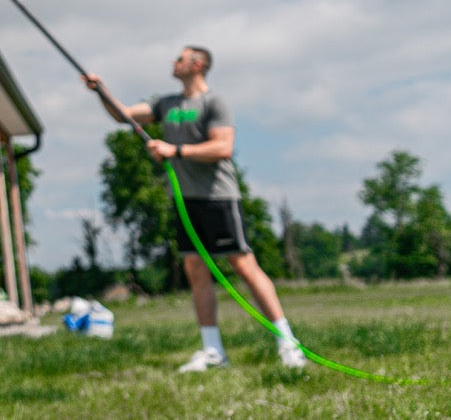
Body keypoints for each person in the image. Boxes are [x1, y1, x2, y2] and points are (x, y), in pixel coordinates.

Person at [83, 46, 306, 372]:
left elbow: (222, 147)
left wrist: (174, 150)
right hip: (185, 201)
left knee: (243, 266)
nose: (174, 62)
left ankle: (287, 342)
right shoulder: (167, 104)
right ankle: (213, 351)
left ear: (197, 65)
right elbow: (124, 115)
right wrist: (100, 91)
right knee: (196, 271)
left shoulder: (213, 103)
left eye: (180, 58)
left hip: (218, 197)